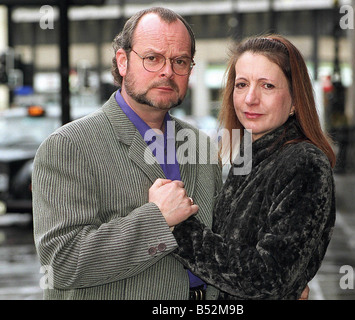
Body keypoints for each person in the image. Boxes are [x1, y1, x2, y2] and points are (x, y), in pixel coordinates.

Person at [32, 7, 222, 300]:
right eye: (152, 58)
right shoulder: (69, 146)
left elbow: (223, 246)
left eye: (180, 61)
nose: (167, 72)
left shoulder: (201, 145)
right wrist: (156, 220)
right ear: (122, 61)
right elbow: (62, 263)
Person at [169, 35, 336, 299]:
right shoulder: (252, 154)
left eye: (267, 86)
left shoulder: (304, 163)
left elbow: (267, 277)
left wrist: (179, 228)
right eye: (242, 84)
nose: (250, 98)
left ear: (294, 100)